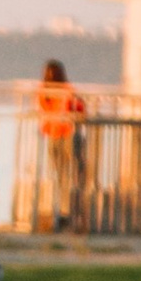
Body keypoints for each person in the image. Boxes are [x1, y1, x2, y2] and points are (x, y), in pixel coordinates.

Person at [32, 58, 90, 236]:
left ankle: (70, 213)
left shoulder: (66, 90)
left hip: (68, 134)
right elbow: (43, 109)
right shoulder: (44, 91)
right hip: (55, 135)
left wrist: (67, 102)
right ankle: (62, 212)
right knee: (60, 175)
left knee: (70, 176)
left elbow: (76, 108)